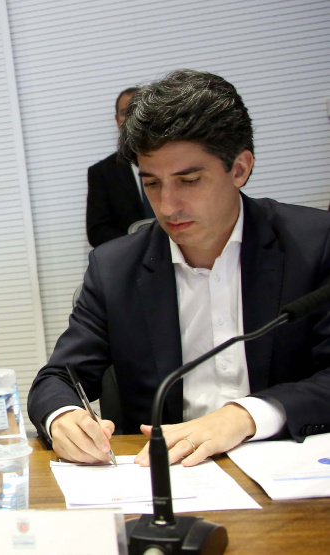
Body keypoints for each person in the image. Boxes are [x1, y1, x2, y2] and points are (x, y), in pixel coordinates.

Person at [28, 69, 330, 468]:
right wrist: (63, 418)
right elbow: (56, 380)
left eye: (189, 181)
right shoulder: (115, 267)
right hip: (167, 479)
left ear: (239, 169)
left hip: (290, 470)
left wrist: (245, 416)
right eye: (152, 183)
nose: (168, 206)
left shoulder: (314, 243)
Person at [85, 87, 155, 247]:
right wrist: (138, 242)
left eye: (137, 110)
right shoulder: (102, 173)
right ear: (117, 120)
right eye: (125, 112)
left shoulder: (175, 163)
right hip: (132, 259)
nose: (131, 118)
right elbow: (97, 231)